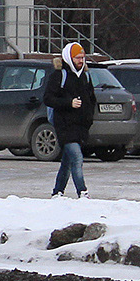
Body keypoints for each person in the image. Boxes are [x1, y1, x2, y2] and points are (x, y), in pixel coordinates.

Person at [43, 41, 94, 198]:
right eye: (77, 57)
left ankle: (57, 192)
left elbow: (92, 99)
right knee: (77, 157)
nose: (81, 60)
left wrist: (88, 118)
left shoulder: (85, 76)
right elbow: (48, 98)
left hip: (80, 127)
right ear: (69, 58)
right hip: (64, 125)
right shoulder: (59, 75)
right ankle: (82, 191)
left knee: (67, 162)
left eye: (82, 57)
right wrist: (68, 103)